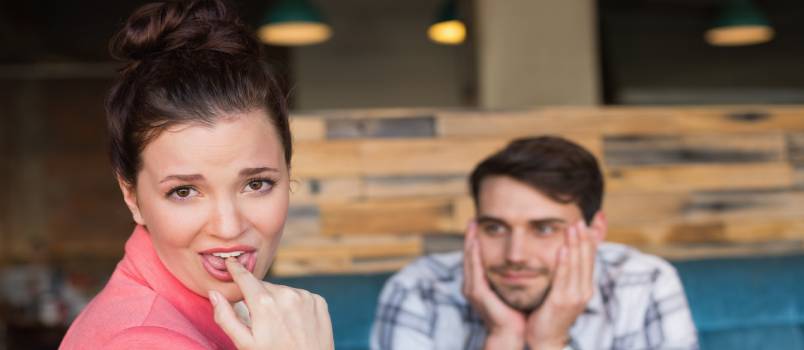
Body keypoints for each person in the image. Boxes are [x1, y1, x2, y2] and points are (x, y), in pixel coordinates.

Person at [59, 1, 333, 349]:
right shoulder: (145, 340)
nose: (229, 226)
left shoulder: (223, 317)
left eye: (256, 184)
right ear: (132, 196)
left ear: (288, 174)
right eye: (185, 191)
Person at [371, 136, 699, 350]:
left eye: (544, 229)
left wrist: (549, 341)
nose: (515, 255)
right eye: (495, 228)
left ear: (595, 231)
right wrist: (502, 338)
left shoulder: (647, 284)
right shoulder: (418, 290)